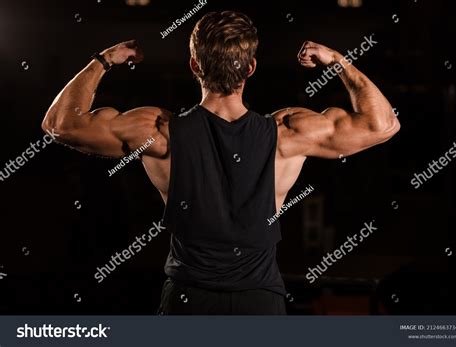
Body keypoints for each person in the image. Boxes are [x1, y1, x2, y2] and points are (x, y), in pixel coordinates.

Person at [41, 11, 400, 314]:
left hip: (188, 301)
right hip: (259, 303)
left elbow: (59, 124)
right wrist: (337, 61)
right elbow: (383, 124)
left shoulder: (157, 131)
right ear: (251, 68)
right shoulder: (290, 133)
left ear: (194, 65)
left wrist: (103, 60)